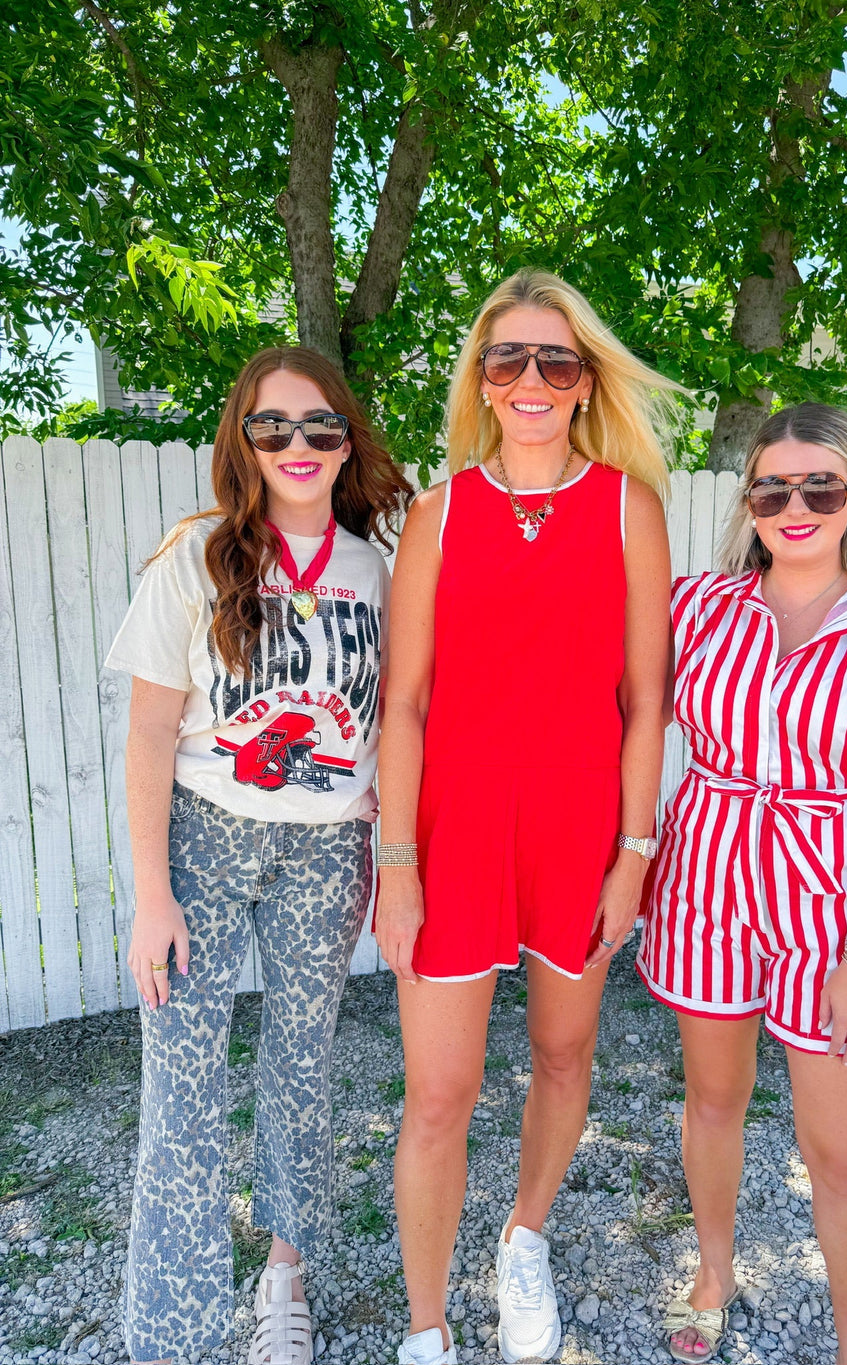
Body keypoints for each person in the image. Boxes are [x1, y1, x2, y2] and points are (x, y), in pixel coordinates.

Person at [374, 268, 676, 1365]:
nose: (534, 378)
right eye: (511, 359)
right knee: (439, 1094)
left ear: (586, 381)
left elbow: (646, 704)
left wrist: (632, 855)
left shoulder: (628, 508)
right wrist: (395, 860)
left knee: (561, 1053)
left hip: (579, 835)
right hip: (450, 838)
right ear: (484, 382)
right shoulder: (437, 515)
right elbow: (403, 704)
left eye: (557, 359)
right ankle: (424, 1328)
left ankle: (523, 1239)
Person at [104, 346, 411, 1365]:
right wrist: (154, 895)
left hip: (328, 850)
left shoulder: (379, 571)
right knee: (181, 1078)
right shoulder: (195, 556)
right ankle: (174, 1322)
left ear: (347, 440)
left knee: (299, 1064)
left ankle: (285, 1276)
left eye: (320, 426)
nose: (297, 445)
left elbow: (403, 718)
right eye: (271, 426)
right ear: (241, 439)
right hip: (205, 835)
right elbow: (150, 734)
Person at [637, 402, 847, 1365]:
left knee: (842, 1154)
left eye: (820, 485)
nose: (797, 505)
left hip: (829, 906)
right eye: (774, 487)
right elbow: (608, 715)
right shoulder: (696, 606)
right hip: (705, 885)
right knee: (713, 1102)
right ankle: (715, 1270)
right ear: (751, 501)